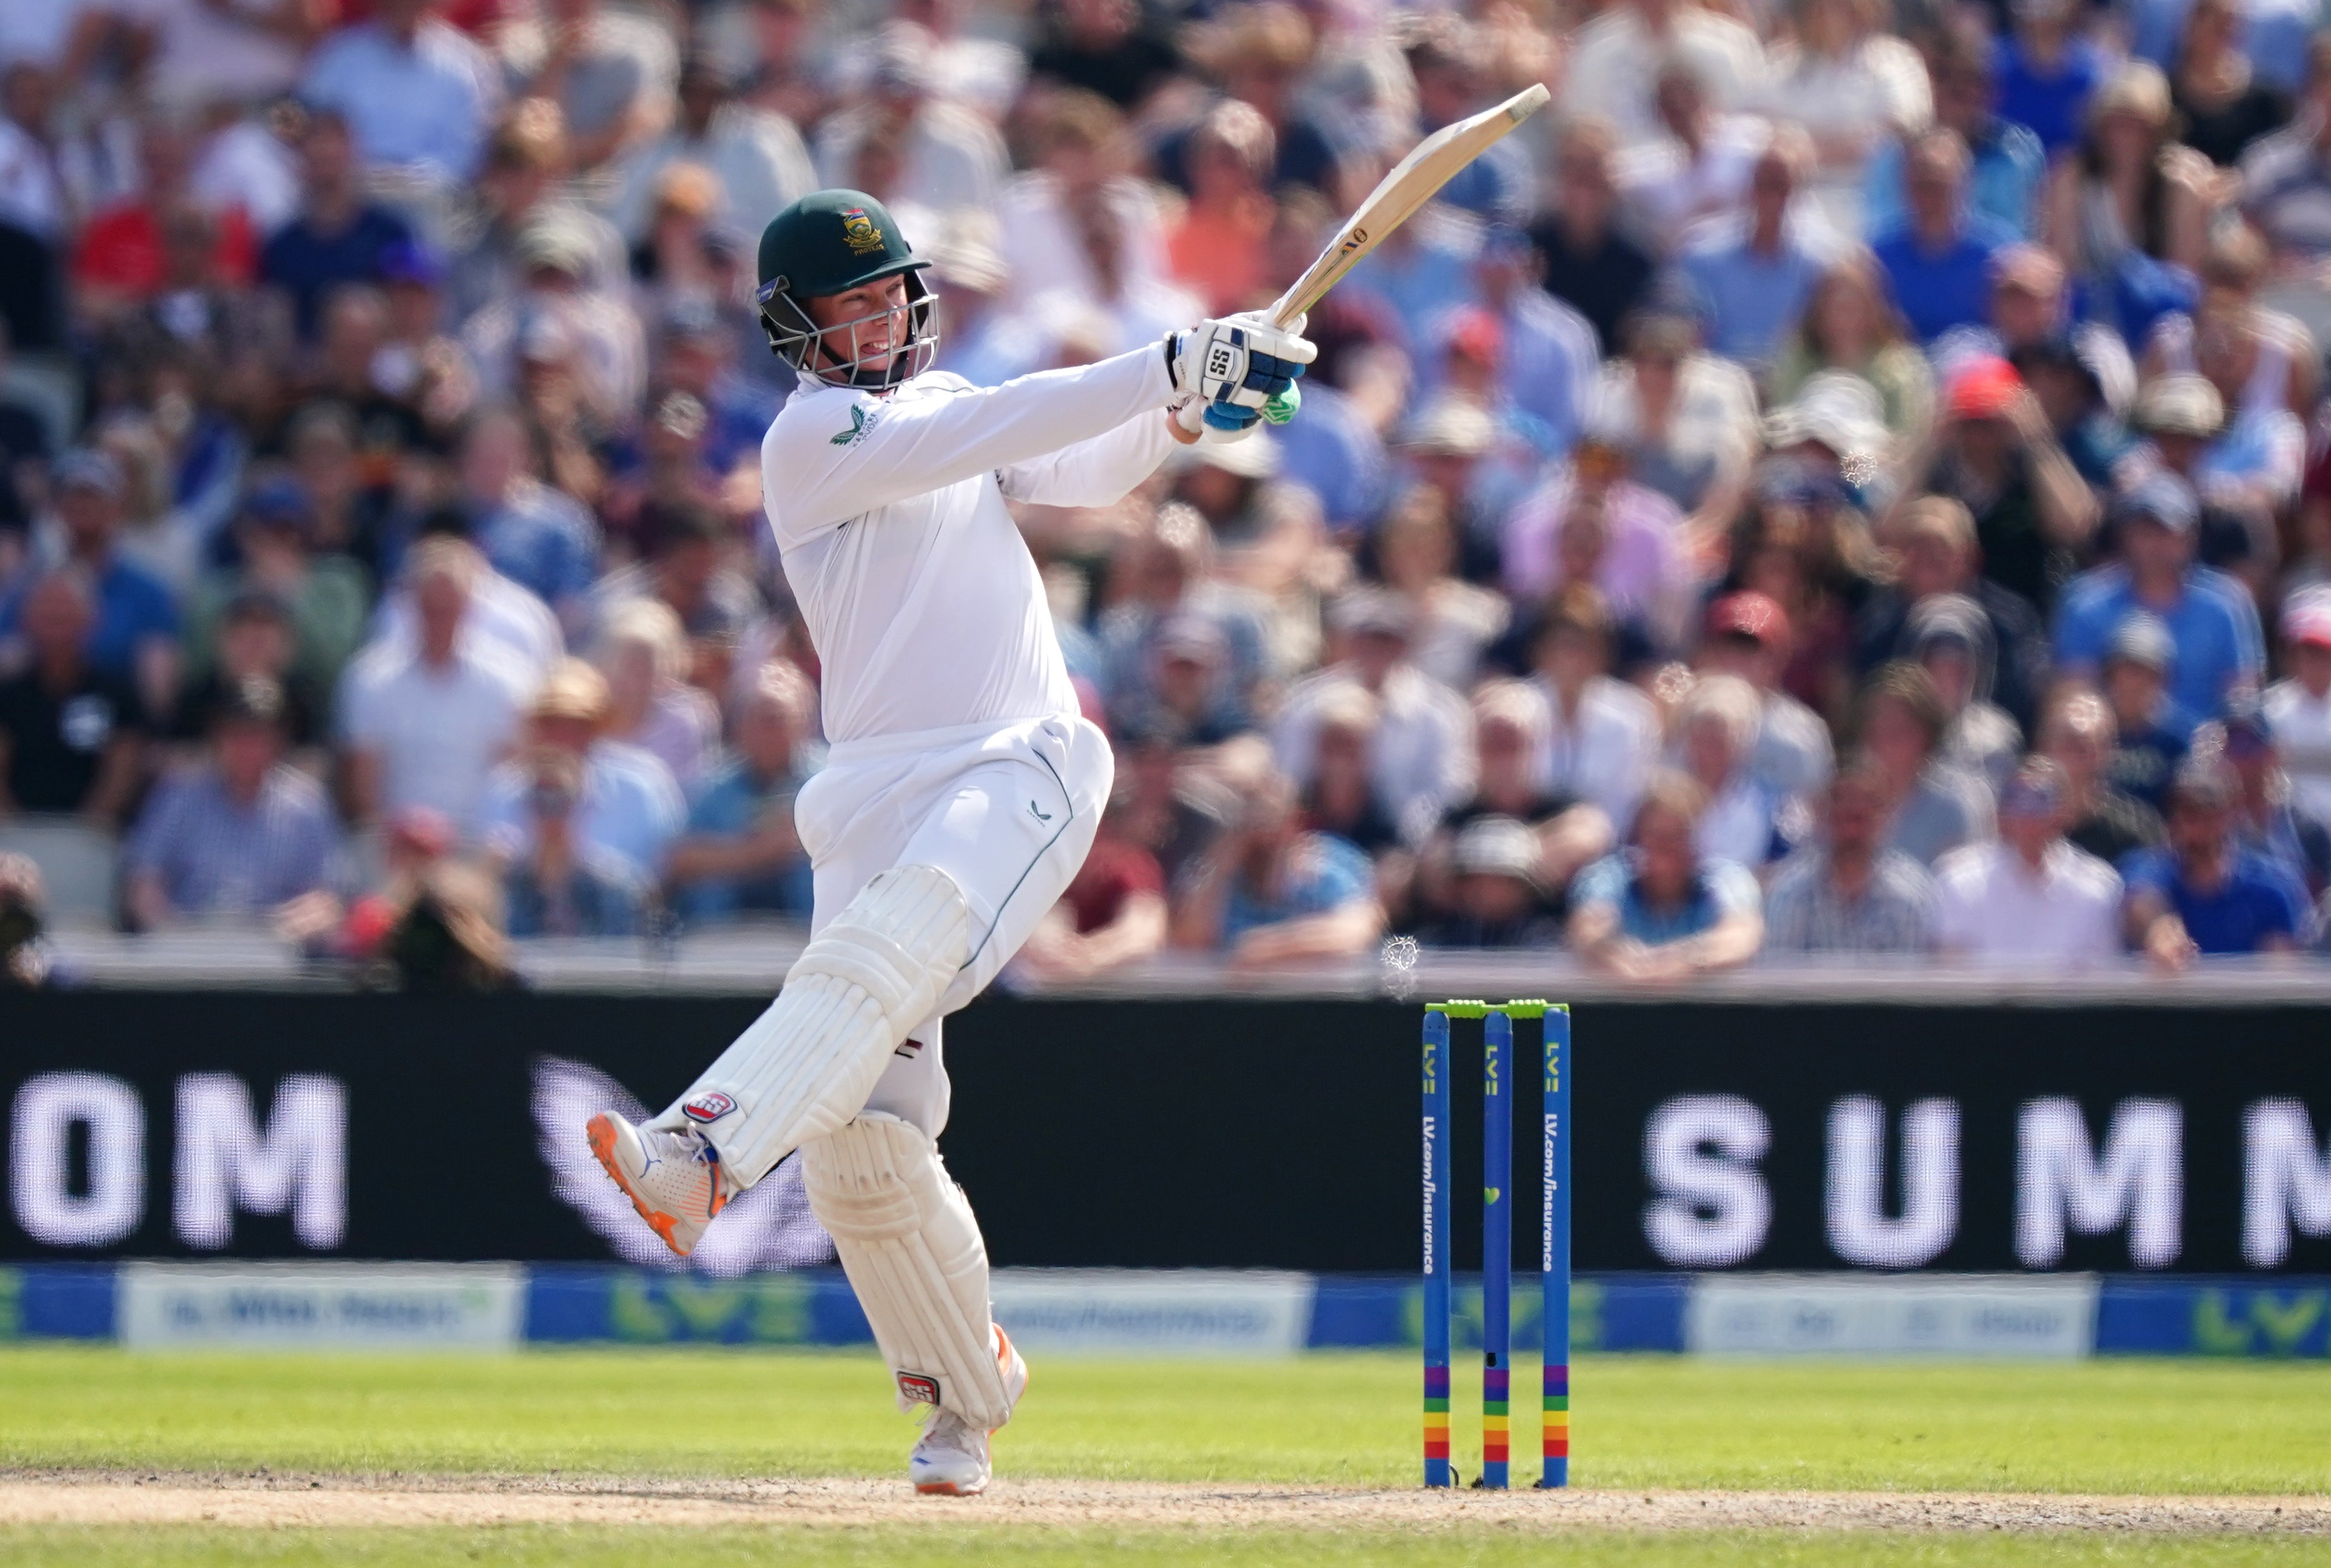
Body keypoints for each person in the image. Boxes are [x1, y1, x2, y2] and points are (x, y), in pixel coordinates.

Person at [581, 189, 1314, 1497]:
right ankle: (964, 1406)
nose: (876, 323)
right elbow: (1001, 423)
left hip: (1019, 757)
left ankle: (696, 1155)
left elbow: (1074, 458)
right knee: (865, 1138)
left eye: (887, 297)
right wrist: (1170, 361)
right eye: (848, 306)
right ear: (797, 331)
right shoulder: (817, 436)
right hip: (868, 791)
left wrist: (1199, 407)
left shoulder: (938, 416)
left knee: (891, 942)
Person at [123, 676, 338, 930]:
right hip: (190, 953)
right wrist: (170, 929)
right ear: (216, 738)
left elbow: (327, 899)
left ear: (279, 741)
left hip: (278, 955)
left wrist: (287, 928)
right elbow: (143, 881)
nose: (247, 748)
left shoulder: (307, 804)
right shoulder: (178, 797)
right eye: (236, 735)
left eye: (258, 737)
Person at [2054, 473, 2264, 725]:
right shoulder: (2086, 603)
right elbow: (2074, 694)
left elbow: (2242, 693)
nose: (2154, 545)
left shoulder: (2226, 603)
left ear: (2190, 538)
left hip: (2205, 749)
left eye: (2165, 533)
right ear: (2125, 536)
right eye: (2144, 532)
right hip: (2111, 748)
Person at [1567, 769, 1765, 980]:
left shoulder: (1727, 879)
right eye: (1657, 836)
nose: (1667, 848)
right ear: (1638, 838)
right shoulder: (1608, 877)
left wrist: (1685, 959)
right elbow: (1589, 930)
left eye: (1678, 836)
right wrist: (1628, 963)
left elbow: (1743, 935)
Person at [1933, 758, 2122, 966]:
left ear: (2065, 813)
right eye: (2017, 799)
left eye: (2041, 799)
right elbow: (1952, 979)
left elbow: (2099, 982)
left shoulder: (2097, 889)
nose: (2027, 815)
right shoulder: (1959, 882)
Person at [2124, 756, 2308, 964]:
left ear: (2232, 814)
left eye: (2211, 812)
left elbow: (2282, 966)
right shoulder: (2150, 868)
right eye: (2188, 813)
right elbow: (2142, 900)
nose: (2200, 825)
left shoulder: (2270, 885)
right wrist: (2162, 933)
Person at [0, 568, 148, 824]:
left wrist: (85, 828)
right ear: (26, 621)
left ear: (92, 620)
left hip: (93, 835)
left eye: (66, 615)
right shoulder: (8, 693)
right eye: (48, 615)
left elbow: (124, 767)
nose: (57, 624)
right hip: (14, 833)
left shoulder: (118, 692)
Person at [1762, 753, 1939, 955]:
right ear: (1824, 815)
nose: (1852, 830)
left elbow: (1913, 983)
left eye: (1861, 817)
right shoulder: (1791, 894)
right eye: (1844, 814)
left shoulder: (1912, 896)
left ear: (1887, 816)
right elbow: (1781, 981)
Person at [1871, 130, 2017, 343]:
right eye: (1920, 185)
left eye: (1939, 185)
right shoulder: (1879, 257)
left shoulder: (2000, 252)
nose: (1929, 197)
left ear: (1965, 184)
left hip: (1977, 365)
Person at [1856, 660, 1995, 865]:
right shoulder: (1847, 801)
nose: (1882, 742)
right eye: (1875, 729)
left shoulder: (1954, 808)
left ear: (1926, 737)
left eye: (1896, 731)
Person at [2041, 686, 2167, 865]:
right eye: (2068, 743)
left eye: (2088, 747)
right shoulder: (2021, 822)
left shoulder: (2136, 830)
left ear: (2110, 753)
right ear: (2045, 747)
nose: (2077, 757)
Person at [2263, 590, 2331, 826]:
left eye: (2323, 653)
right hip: (2289, 831)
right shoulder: (2270, 710)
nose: (2315, 663)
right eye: (2308, 653)